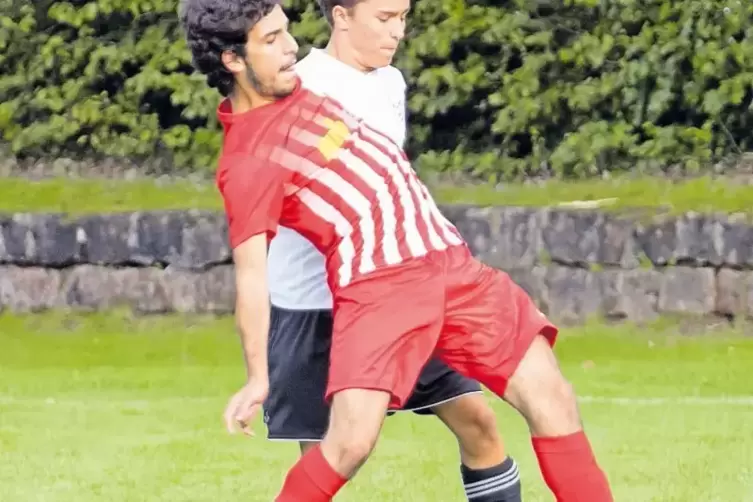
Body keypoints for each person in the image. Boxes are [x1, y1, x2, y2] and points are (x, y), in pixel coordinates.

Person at [179, 1, 614, 501]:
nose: (291, 47)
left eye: (287, 32)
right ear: (233, 60)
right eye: (272, 39)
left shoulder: (311, 84)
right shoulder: (249, 160)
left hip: (452, 268)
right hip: (381, 287)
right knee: (349, 444)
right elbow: (252, 278)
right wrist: (259, 377)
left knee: (552, 398)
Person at [261, 1, 518, 499]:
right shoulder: (298, 87)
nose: (397, 31)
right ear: (341, 16)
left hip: (396, 294)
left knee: (479, 424)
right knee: (328, 461)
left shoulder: (389, 82)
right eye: (384, 18)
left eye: (403, 17)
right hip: (315, 307)